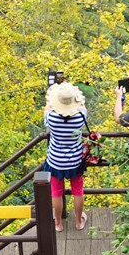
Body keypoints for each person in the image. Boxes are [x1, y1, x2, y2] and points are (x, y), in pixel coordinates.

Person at [43, 82, 88, 232]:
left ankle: (58, 224)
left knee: (56, 192)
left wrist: (51, 102)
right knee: (78, 190)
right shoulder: (81, 116)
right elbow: (83, 107)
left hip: (55, 161)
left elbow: (47, 109)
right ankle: (78, 221)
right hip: (75, 160)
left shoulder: (51, 118)